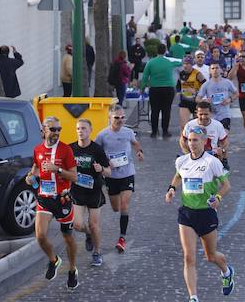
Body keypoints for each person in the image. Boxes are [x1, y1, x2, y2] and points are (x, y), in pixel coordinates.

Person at [166, 126, 235, 302]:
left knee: (211, 256)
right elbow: (179, 176)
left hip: (206, 213)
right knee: (189, 257)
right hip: (187, 214)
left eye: (196, 140)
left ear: (204, 142)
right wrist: (171, 188)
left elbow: (226, 185)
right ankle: (193, 300)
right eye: (189, 140)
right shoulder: (181, 161)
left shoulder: (212, 162)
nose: (192, 143)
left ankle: (227, 272)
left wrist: (218, 198)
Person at [26, 115, 79, 290]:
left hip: (62, 200)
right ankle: (54, 260)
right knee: (40, 236)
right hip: (44, 199)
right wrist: (31, 176)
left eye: (59, 129)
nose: (57, 132)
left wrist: (58, 170)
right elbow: (35, 167)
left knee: (68, 238)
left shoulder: (65, 150)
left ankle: (72, 270)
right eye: (53, 129)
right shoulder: (38, 150)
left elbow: (74, 176)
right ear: (44, 130)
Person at [95, 104, 144, 251]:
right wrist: (104, 163)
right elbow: (96, 152)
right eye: (117, 117)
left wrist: (139, 152)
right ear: (109, 118)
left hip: (127, 174)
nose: (121, 120)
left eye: (123, 117)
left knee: (124, 206)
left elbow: (135, 143)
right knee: (116, 208)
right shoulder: (102, 135)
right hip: (111, 176)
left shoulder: (128, 132)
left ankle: (122, 238)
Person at [70, 118, 111, 266]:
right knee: (77, 225)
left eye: (84, 128)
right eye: (78, 128)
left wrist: (101, 169)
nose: (81, 131)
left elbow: (109, 171)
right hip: (77, 191)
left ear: (90, 130)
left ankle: (97, 252)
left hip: (94, 192)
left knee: (94, 225)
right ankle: (88, 233)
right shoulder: (71, 149)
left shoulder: (97, 149)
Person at [139, 44, 182, 138]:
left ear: (156, 51)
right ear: (165, 51)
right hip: (168, 88)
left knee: (155, 111)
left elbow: (145, 76)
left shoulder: (150, 62)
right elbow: (180, 63)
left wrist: (142, 88)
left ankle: (154, 132)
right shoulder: (169, 62)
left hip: (155, 88)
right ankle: (165, 131)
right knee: (166, 110)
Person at [180, 100, 229, 165]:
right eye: (201, 114)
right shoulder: (189, 125)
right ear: (196, 113)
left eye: (206, 114)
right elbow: (182, 141)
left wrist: (222, 151)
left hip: (212, 157)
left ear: (211, 113)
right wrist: (188, 154)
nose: (203, 117)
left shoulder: (217, 125)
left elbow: (225, 141)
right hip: (195, 157)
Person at [196, 62, 238, 134]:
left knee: (224, 134)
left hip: (225, 114)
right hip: (212, 115)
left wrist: (229, 100)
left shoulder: (227, 82)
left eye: (217, 68)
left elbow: (236, 93)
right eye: (213, 68)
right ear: (210, 71)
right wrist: (204, 101)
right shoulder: (206, 84)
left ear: (221, 70)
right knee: (214, 136)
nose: (215, 70)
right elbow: (197, 99)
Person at [178, 56, 207, 129]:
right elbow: (178, 86)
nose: (185, 66)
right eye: (184, 64)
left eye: (187, 64)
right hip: (184, 102)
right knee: (183, 126)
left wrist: (196, 91)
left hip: (196, 103)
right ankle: (183, 140)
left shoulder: (198, 74)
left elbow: (206, 86)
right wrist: (179, 92)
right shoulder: (181, 74)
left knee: (197, 127)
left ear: (191, 64)